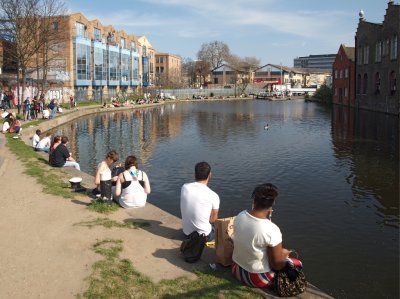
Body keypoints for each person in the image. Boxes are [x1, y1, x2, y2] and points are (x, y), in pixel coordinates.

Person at [231, 183, 303, 289]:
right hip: (255, 278)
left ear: (254, 200)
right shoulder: (272, 229)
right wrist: (284, 255)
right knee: (297, 264)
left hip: (236, 269)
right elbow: (276, 265)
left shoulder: (240, 215)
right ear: (273, 203)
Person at [180, 161, 220, 241]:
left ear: (194, 174)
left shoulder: (184, 187)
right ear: (210, 175)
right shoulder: (213, 196)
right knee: (218, 230)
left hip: (186, 234)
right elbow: (213, 220)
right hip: (204, 237)